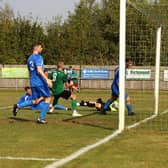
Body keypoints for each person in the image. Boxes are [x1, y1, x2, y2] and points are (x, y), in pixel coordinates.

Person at [13, 43, 52, 124]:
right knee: (48, 97)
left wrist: (32, 80)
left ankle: (18, 106)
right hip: (40, 82)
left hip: (33, 82)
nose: (42, 49)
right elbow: (39, 69)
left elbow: (30, 71)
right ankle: (41, 118)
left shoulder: (29, 58)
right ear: (37, 48)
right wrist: (47, 79)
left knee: (35, 100)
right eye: (41, 47)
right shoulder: (38, 57)